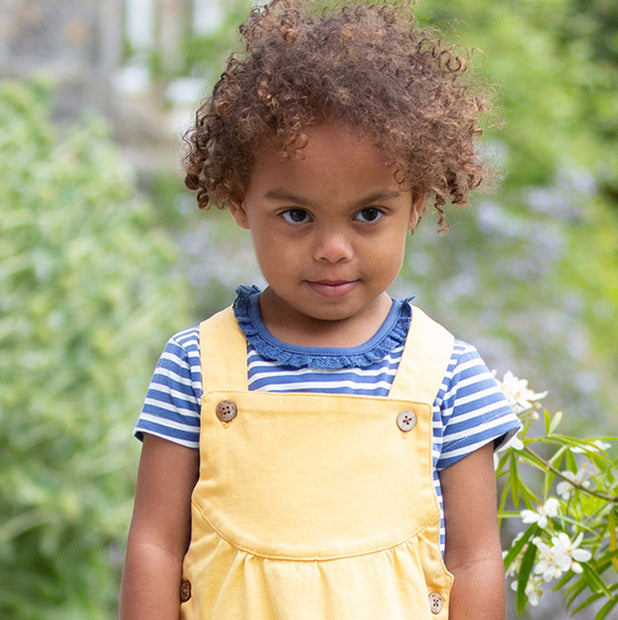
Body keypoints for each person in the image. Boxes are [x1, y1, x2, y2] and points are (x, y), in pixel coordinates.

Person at [119, 1, 521, 618]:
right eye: (296, 215)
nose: (332, 250)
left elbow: (473, 560)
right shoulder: (196, 367)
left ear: (415, 204)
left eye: (368, 214)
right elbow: (153, 543)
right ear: (237, 202)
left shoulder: (448, 376)